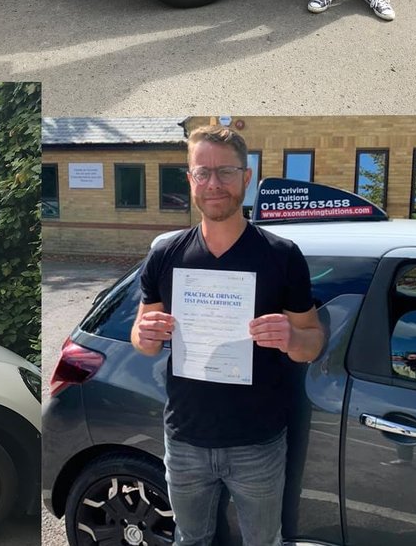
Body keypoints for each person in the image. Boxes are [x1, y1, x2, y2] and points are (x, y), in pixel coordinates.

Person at [131, 125, 324, 545]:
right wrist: (145, 333)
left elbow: (312, 343)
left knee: (263, 541)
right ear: (190, 179)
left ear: (247, 177)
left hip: (257, 443)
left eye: (226, 172)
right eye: (203, 173)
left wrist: (292, 336)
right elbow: (143, 340)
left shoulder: (280, 255)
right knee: (190, 540)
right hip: (184, 440)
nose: (213, 184)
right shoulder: (166, 254)